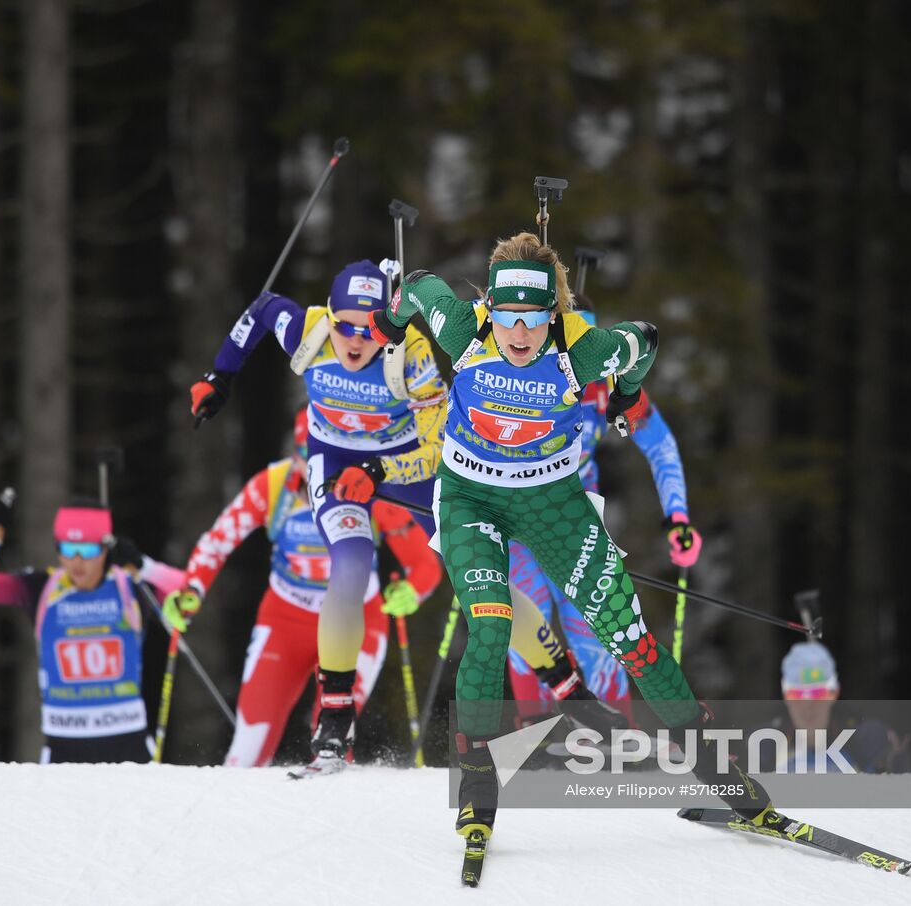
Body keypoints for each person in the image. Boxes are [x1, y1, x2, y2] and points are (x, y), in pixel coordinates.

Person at [367, 231, 774, 849]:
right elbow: (421, 285)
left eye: (534, 319)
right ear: (491, 312)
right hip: (470, 496)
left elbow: (645, 340)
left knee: (629, 639)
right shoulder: (461, 330)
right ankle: (478, 790)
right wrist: (391, 320)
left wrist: (629, 394)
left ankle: (719, 774)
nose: (520, 334)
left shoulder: (582, 352)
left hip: (552, 500)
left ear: (552, 314)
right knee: (492, 626)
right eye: (508, 318)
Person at [190, 260, 447, 773]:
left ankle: (564, 690)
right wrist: (221, 375)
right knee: (351, 565)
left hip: (404, 466)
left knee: (478, 565)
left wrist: (382, 472)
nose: (355, 340)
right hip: (336, 467)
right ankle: (333, 722)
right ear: (329, 316)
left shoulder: (410, 354)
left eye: (370, 328)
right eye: (344, 325)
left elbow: (437, 449)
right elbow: (263, 309)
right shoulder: (308, 332)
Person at [165, 410, 443, 767]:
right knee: (248, 746)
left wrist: (411, 591)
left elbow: (423, 563)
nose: (316, 468)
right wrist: (192, 590)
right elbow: (219, 540)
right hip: (285, 619)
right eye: (306, 454)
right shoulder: (273, 485)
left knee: (332, 733)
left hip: (357, 620)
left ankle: (333, 808)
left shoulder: (366, 484)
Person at [506, 296, 701, 722]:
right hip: (518, 520)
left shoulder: (610, 381)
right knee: (524, 624)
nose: (580, 369)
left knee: (596, 631)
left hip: (575, 523)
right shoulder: (513, 370)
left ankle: (614, 738)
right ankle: (536, 733)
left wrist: (678, 517)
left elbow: (660, 444)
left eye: (590, 353)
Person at [0, 498, 185, 763]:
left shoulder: (128, 586)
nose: (77, 562)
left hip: (127, 740)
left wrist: (145, 567)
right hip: (63, 743)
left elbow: (189, 592)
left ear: (105, 548)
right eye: (68, 548)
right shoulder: (42, 588)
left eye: (87, 551)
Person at [762, 640, 911, 774]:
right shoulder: (766, 745)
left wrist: (893, 767)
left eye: (817, 693)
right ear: (785, 697)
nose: (807, 705)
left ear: (834, 693)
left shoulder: (865, 739)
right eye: (797, 694)